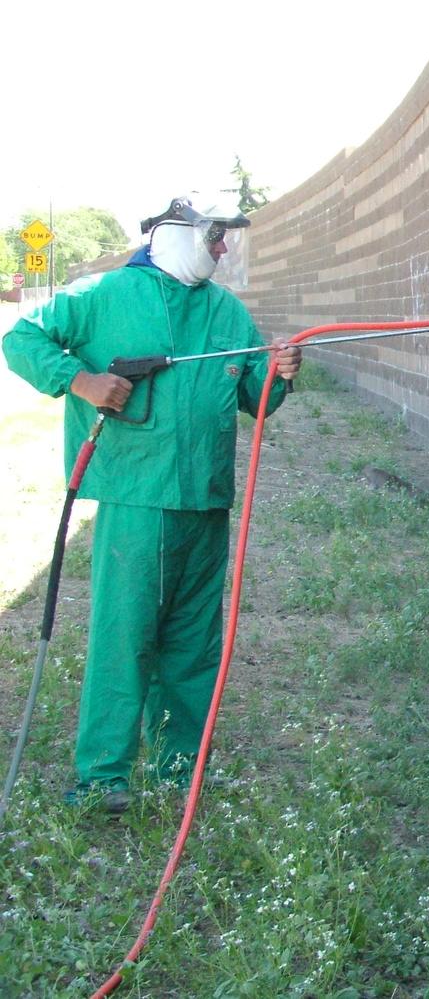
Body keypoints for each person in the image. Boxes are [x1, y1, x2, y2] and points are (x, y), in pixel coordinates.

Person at [2, 195, 300, 813]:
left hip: (205, 503)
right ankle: (102, 776)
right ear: (177, 235)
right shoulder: (103, 296)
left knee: (194, 643)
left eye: (225, 239)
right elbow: (20, 337)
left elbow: (256, 399)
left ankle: (180, 768)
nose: (222, 248)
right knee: (125, 635)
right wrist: (80, 381)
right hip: (135, 500)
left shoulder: (226, 313)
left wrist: (281, 371)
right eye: (215, 236)